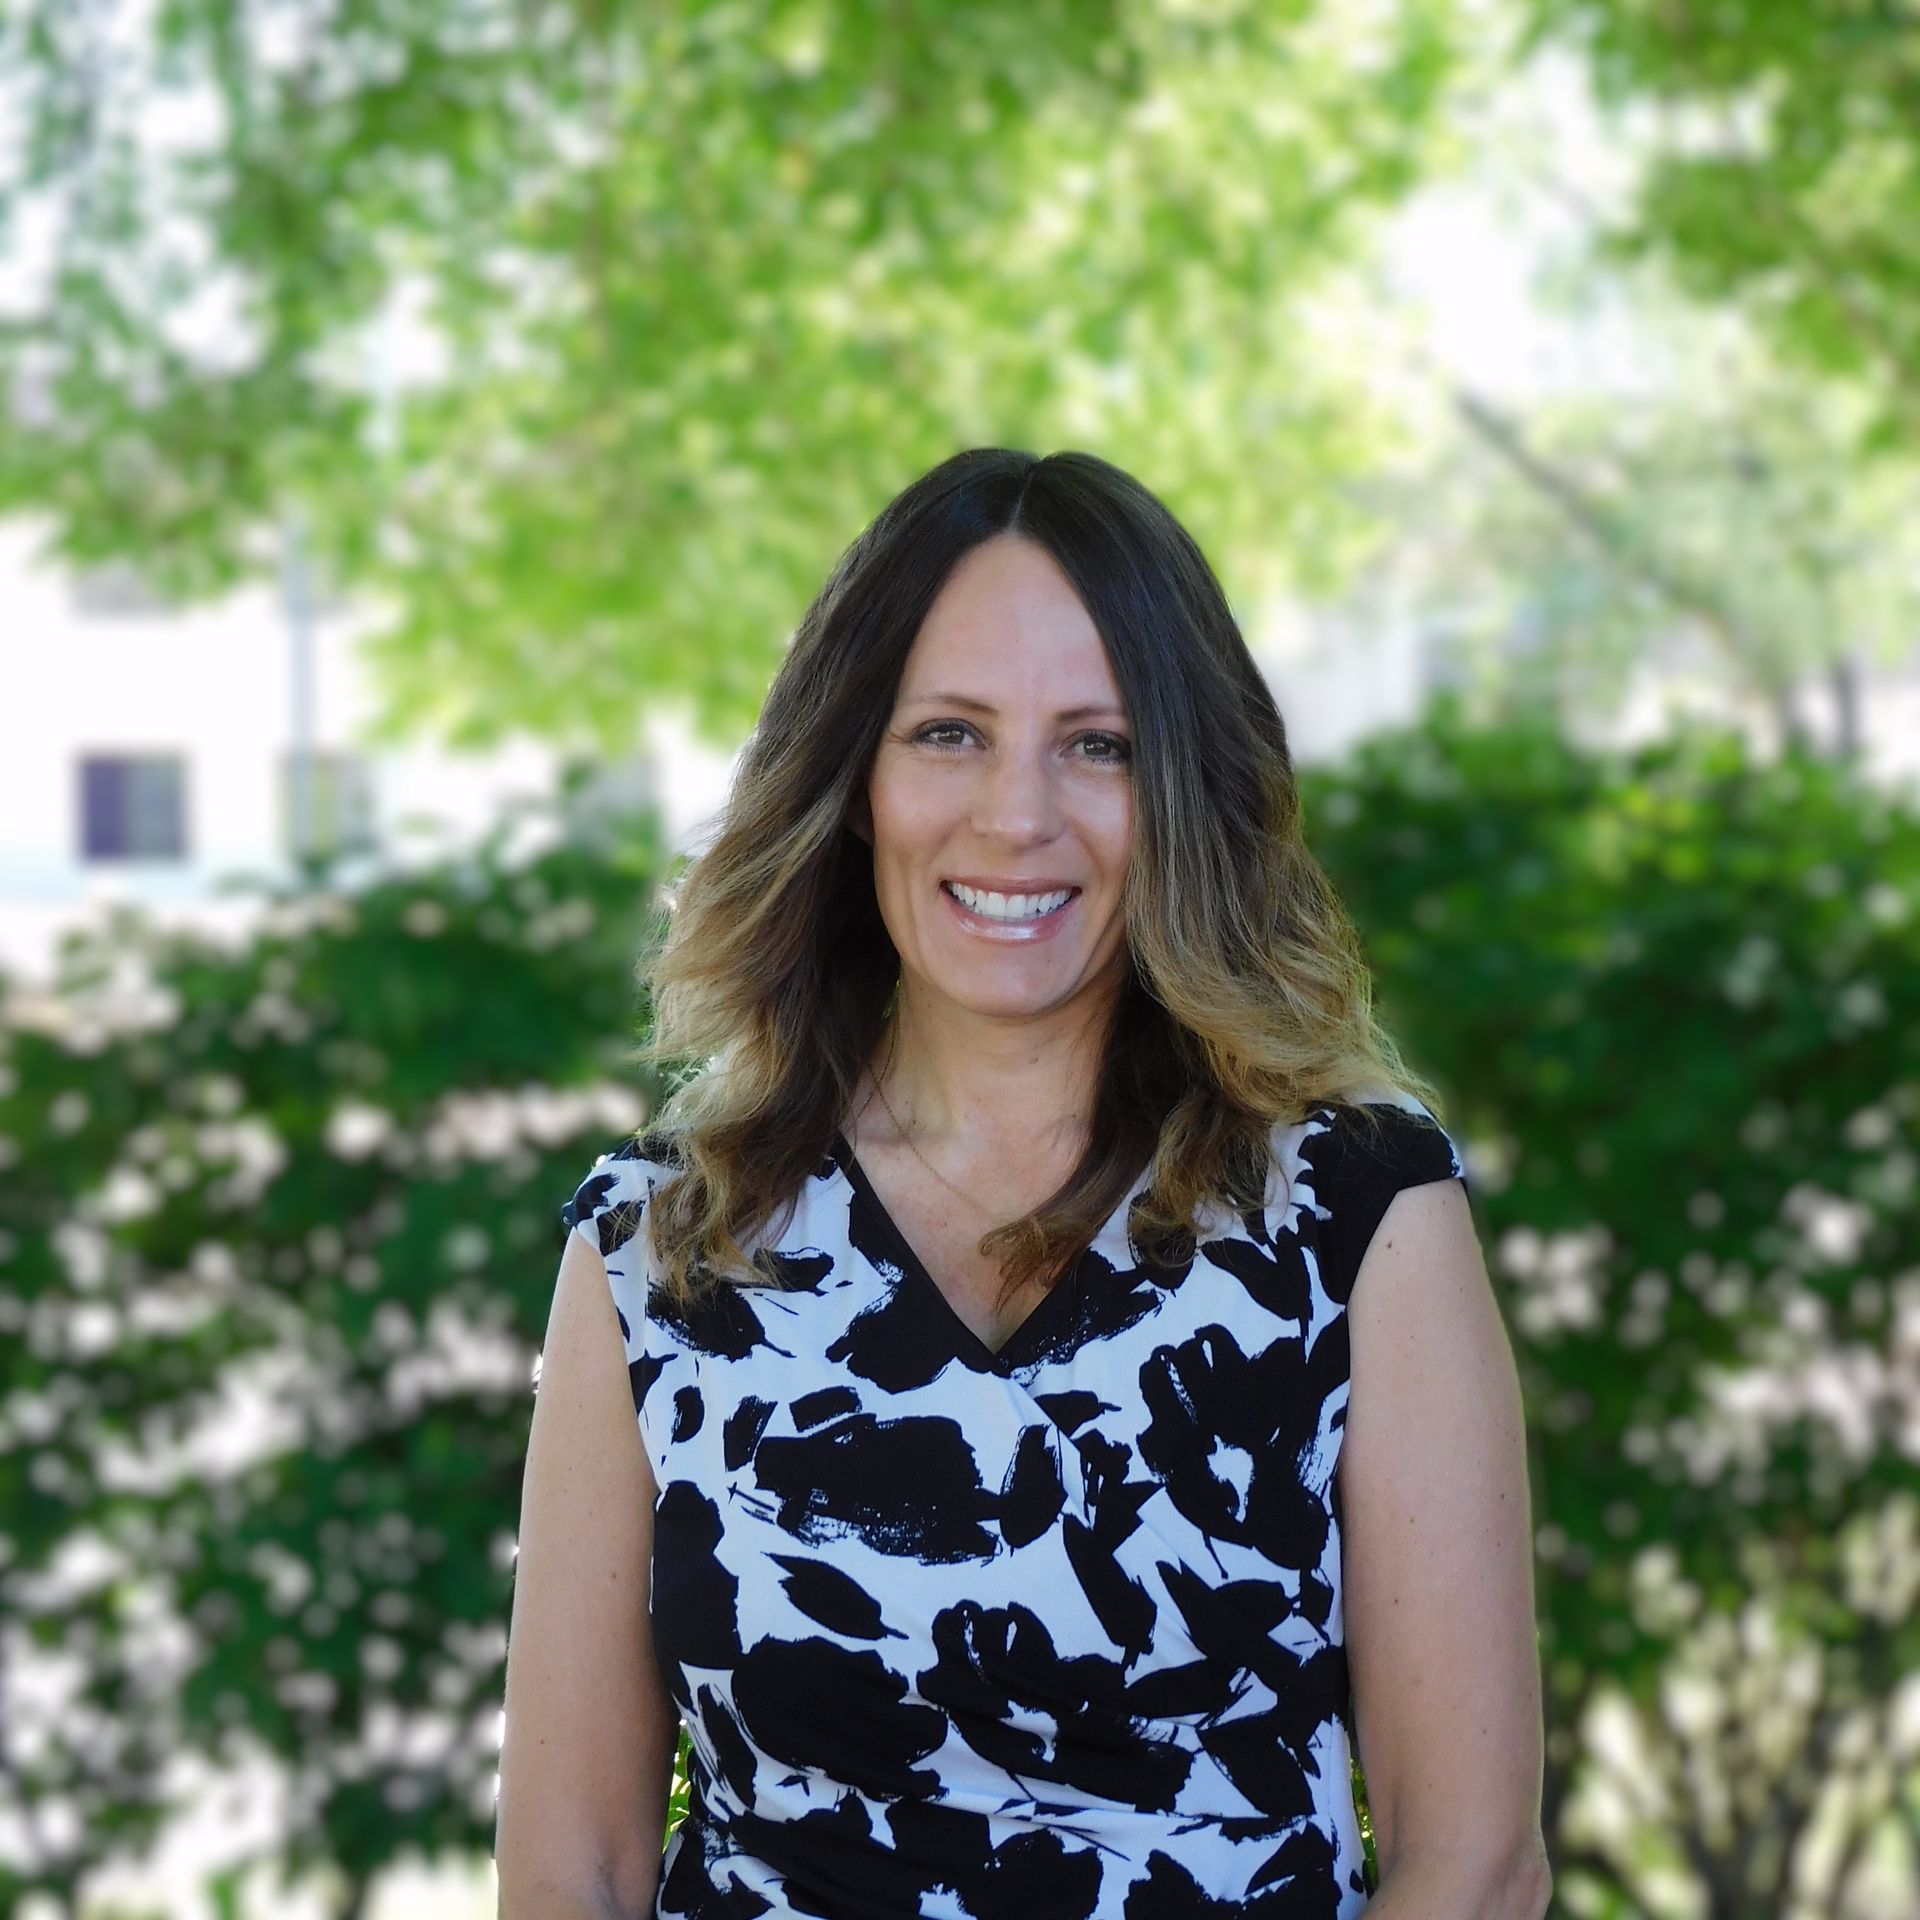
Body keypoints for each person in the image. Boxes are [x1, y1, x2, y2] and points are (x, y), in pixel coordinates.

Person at [495, 448, 1550, 1920]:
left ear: (1183, 786)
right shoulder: (661, 1248)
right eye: (948, 734)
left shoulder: (1355, 1219)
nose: (1017, 816)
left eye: (1099, 745)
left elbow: (1475, 1870)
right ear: (853, 779)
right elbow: (572, 1873)